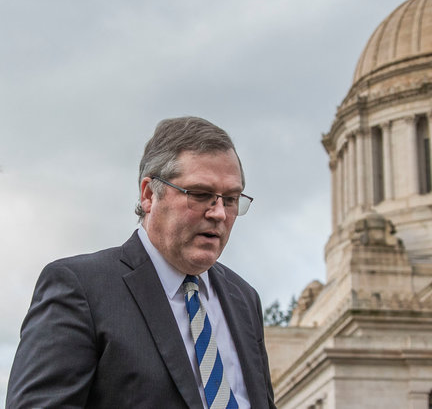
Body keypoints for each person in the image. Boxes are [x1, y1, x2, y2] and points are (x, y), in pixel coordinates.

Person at [7, 116, 276, 408]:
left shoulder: (244, 299)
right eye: (200, 194)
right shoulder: (80, 288)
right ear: (149, 195)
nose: (219, 213)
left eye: (231, 199)